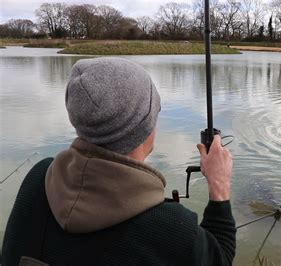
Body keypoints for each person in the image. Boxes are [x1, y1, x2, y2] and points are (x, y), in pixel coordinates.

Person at [2, 57, 236, 265]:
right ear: (143, 127)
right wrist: (219, 184)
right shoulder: (174, 230)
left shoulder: (38, 178)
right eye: (156, 112)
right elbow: (220, 257)